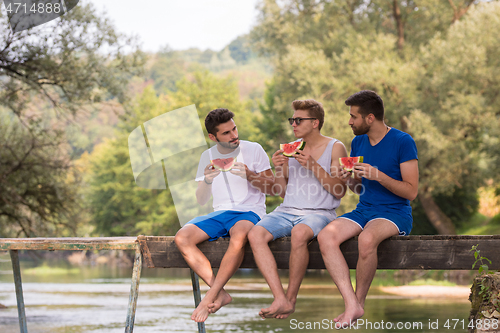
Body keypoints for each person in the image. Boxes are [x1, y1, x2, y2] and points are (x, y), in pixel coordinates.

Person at [317, 90, 419, 328]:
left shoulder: (404, 142)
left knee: (367, 238)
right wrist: (348, 177)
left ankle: (359, 302)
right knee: (326, 236)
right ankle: (350, 302)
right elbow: (358, 187)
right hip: (364, 209)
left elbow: (411, 191)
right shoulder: (358, 142)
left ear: (370, 118)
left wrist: (379, 176)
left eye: (354, 116)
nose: (349, 121)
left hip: (395, 213)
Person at [248, 99, 348, 320]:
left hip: (320, 212)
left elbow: (339, 190)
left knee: (300, 233)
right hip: (287, 210)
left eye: (298, 120)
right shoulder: (290, 149)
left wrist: (312, 164)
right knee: (255, 234)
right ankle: (279, 298)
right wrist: (279, 168)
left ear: (315, 122)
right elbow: (282, 192)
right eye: (292, 119)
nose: (293, 124)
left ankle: (291, 299)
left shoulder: (335, 147)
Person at [174, 108, 274, 323]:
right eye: (226, 133)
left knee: (239, 236)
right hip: (219, 214)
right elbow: (201, 199)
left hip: (250, 211)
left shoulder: (254, 149)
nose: (234, 135)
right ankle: (220, 293)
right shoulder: (207, 157)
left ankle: (209, 296)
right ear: (213, 137)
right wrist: (208, 180)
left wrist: (250, 175)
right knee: (182, 238)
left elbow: (273, 188)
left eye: (234, 128)